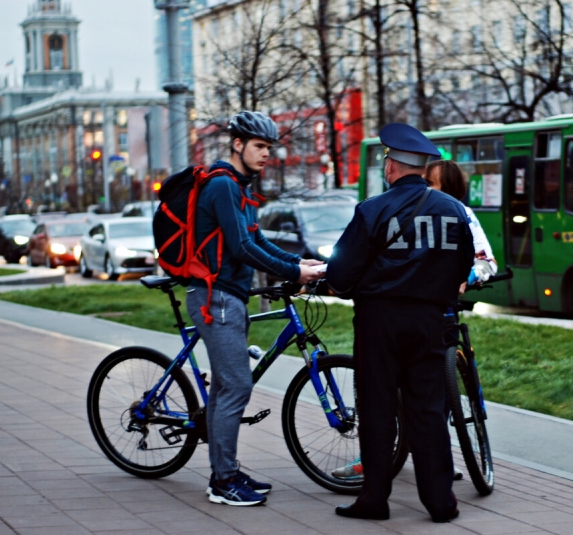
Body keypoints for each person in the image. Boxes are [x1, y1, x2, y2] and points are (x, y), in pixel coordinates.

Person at [326, 123, 474, 523]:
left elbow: (340, 274)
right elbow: (465, 266)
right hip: (430, 320)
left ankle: (374, 499)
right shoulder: (454, 210)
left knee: (377, 409)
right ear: (423, 169)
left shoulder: (372, 210)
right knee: (428, 408)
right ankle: (440, 501)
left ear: (391, 166)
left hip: (379, 321)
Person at [187, 110, 324, 507]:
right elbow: (241, 249)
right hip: (215, 299)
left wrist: (300, 263)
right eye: (260, 146)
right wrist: (291, 272)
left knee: (227, 386)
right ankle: (222, 481)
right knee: (237, 386)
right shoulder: (223, 187)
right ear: (237, 144)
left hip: (229, 297)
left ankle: (224, 468)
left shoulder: (240, 186)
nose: (267, 154)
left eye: (269, 148)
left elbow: (257, 238)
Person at [425, 159, 497, 289]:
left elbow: (487, 263)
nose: (421, 188)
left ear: (447, 189)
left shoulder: (464, 215)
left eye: (428, 183)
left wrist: (467, 277)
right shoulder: (405, 210)